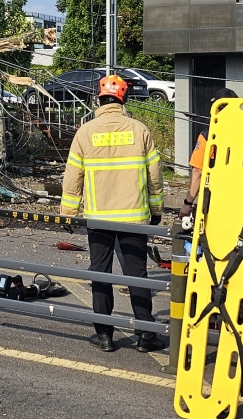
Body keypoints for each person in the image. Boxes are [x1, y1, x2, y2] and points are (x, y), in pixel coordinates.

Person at [60, 74, 166, 354]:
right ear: (124, 99)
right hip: (134, 217)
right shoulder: (140, 130)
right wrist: (156, 210)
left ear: (99, 99)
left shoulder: (85, 132)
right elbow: (154, 175)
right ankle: (146, 335)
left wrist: (68, 213)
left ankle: (104, 335)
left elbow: (73, 177)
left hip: (99, 217)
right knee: (137, 276)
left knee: (100, 273)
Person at [179, 87, 238, 221]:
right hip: (242, 198)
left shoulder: (208, 136)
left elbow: (198, 172)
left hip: (215, 198)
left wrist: (188, 203)